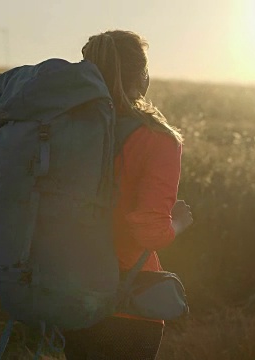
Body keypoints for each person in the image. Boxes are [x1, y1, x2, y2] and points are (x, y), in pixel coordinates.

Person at [62, 30, 194, 359]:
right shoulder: (158, 138)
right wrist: (177, 223)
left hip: (73, 295)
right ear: (142, 76)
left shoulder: (68, 129)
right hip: (128, 303)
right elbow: (149, 231)